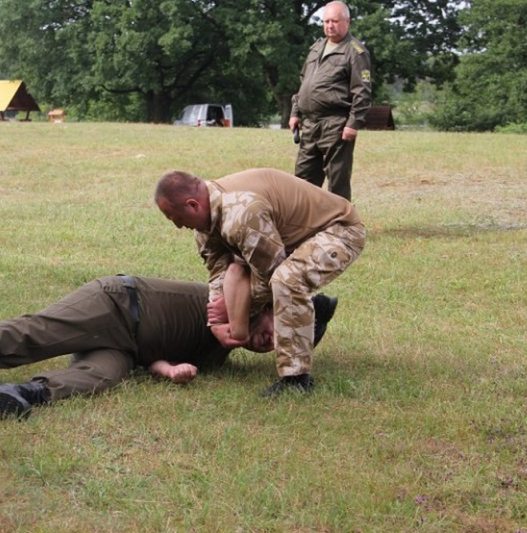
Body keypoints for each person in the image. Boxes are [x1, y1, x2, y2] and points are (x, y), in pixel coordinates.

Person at [0, 275, 338, 418]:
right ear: (267, 307)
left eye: (278, 346)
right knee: (39, 333)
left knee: (102, 376)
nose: (269, 342)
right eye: (277, 330)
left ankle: (20, 393)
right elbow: (234, 275)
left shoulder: (220, 354)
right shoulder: (229, 299)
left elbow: (161, 357)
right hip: (114, 303)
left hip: (127, 351)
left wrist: (166, 371)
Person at [154, 168, 365, 396]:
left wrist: (235, 311)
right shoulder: (206, 225)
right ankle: (313, 313)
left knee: (287, 281)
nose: (178, 226)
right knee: (248, 303)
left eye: (175, 218)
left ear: (193, 205)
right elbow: (218, 273)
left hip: (339, 230)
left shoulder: (241, 214)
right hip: (292, 242)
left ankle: (296, 381)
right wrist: (216, 322)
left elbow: (270, 275)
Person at [289, 1, 372, 201]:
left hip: (336, 124)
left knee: (337, 181)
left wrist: (353, 124)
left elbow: (362, 91)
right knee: (302, 180)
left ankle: (342, 227)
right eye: (326, 21)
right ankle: (302, 225)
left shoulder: (356, 52)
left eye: (335, 21)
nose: (330, 26)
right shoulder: (316, 47)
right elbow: (304, 82)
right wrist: (295, 112)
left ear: (347, 22)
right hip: (310, 124)